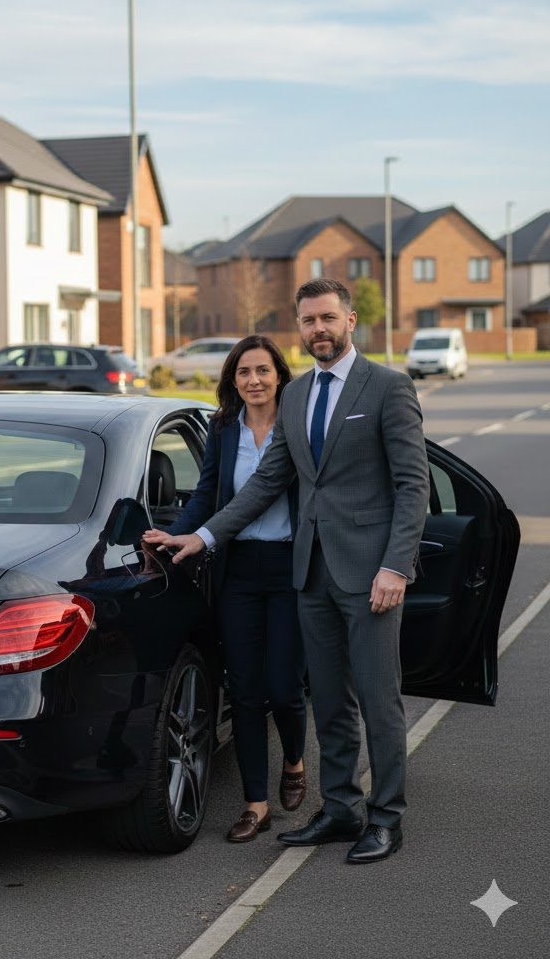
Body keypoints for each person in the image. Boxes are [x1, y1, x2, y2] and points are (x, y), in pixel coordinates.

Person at [146, 279, 429, 864]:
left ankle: (387, 818)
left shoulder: (388, 387)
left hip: (372, 575)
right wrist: (200, 536)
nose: (318, 329)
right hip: (309, 576)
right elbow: (267, 483)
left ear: (351, 320)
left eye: (328, 318)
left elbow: (412, 485)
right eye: (308, 321)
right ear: (299, 328)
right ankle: (342, 808)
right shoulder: (296, 397)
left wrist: (396, 565)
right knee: (327, 700)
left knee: (378, 701)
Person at [145, 335, 307, 843]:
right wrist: (182, 534)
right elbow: (209, 492)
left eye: (262, 371)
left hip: (289, 568)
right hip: (237, 572)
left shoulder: (298, 426)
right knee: (245, 690)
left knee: (284, 687)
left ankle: (297, 760)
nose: (254, 381)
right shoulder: (223, 428)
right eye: (243, 373)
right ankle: (255, 804)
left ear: (279, 374)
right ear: (232, 380)